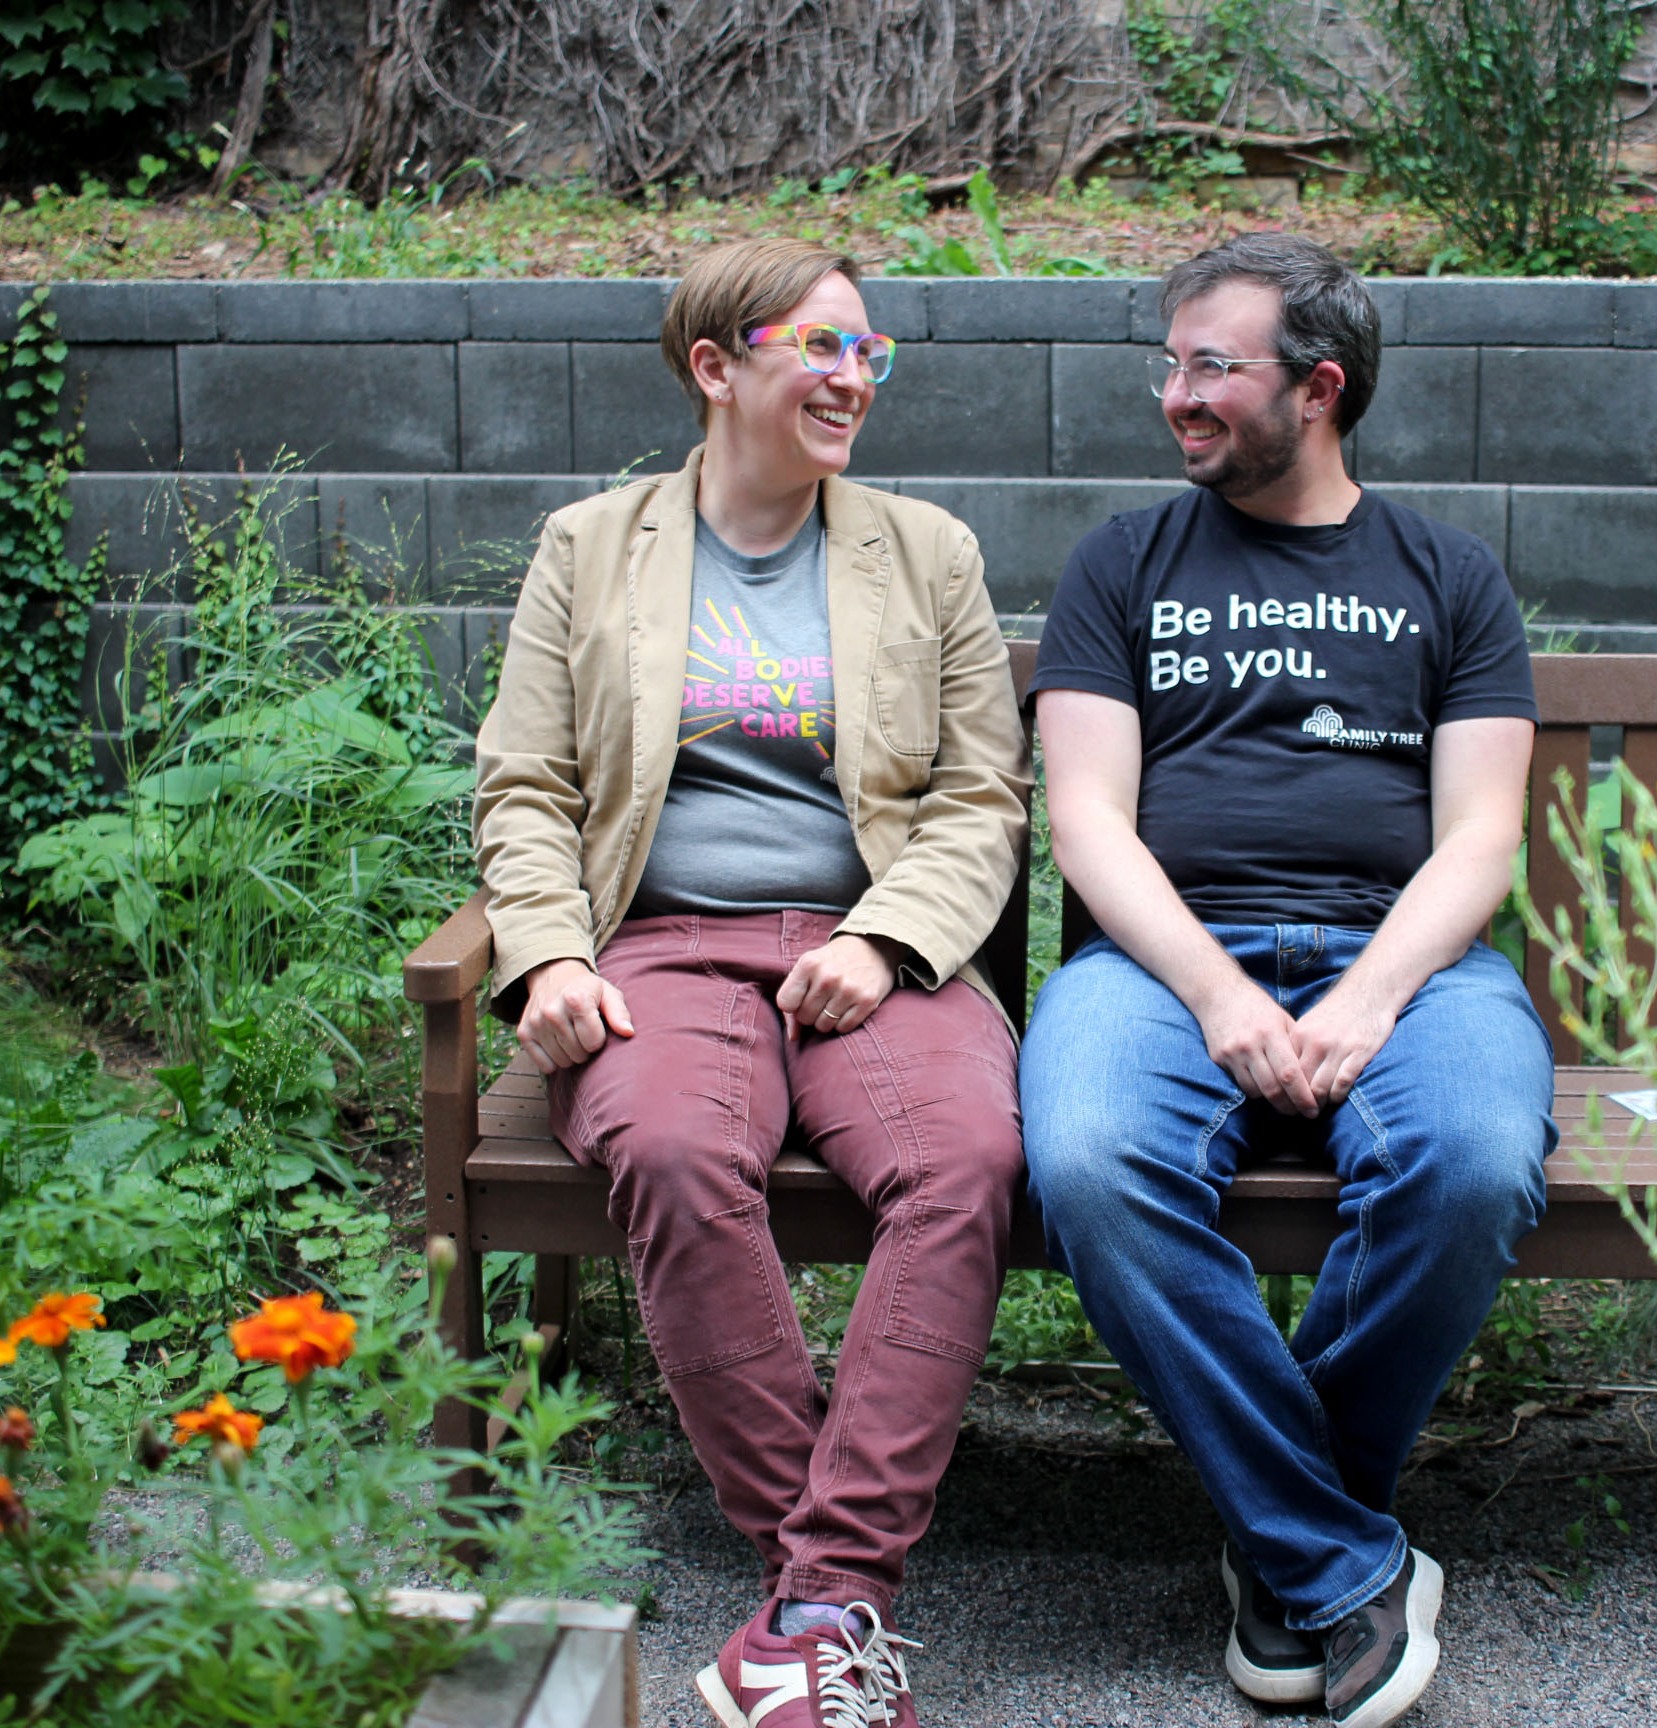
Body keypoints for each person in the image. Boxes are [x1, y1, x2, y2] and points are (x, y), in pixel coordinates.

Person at [473, 236, 1030, 1728]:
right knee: (671, 1148)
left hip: (871, 945)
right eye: (822, 347)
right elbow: (524, 784)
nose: (855, 377)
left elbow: (982, 796)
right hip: (661, 946)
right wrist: (551, 951)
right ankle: (829, 1596)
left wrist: (886, 939)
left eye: (870, 352)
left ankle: (813, 1608)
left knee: (965, 1161)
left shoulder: (927, 553)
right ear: (716, 367)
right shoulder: (591, 547)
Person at [1020, 232, 1557, 1728]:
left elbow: (1482, 835)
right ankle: (1335, 1557)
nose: (1176, 396)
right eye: (1169, 365)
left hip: (1408, 963)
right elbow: (1087, 822)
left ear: (1318, 389)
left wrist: (1369, 998)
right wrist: (1218, 995)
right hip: (1161, 961)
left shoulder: (1449, 576)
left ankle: (1282, 1538)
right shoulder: (1122, 564)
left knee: (1473, 1161)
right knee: (1087, 1159)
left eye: (1212, 367)